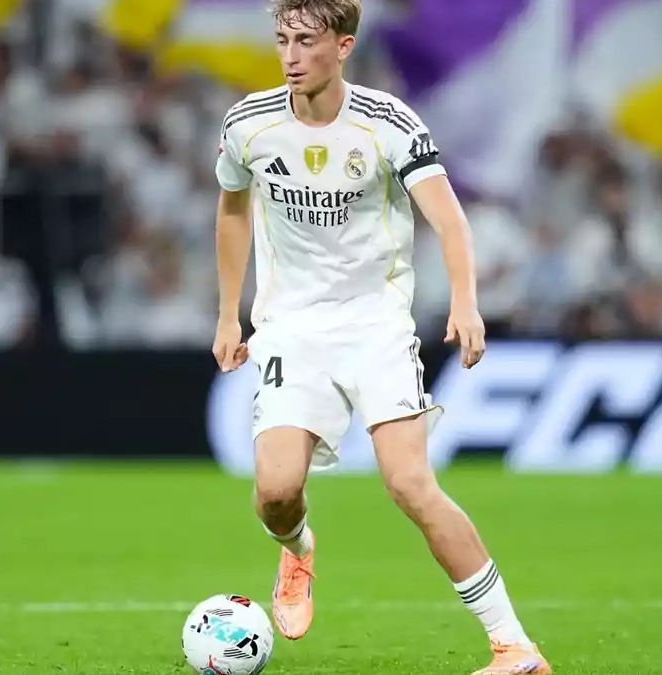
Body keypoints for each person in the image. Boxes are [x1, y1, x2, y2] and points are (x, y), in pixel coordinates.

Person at [209, 1, 552, 673]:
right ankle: (298, 548)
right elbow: (231, 212)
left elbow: (450, 219)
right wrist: (228, 314)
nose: (289, 55)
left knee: (411, 483)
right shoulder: (248, 123)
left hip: (376, 326)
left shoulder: (388, 123)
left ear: (343, 47)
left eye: (305, 41)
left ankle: (514, 646)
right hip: (291, 329)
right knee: (275, 491)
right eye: (282, 39)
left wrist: (466, 302)